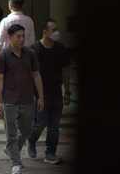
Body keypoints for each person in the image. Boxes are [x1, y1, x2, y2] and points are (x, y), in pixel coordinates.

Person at [0, 24, 45, 174]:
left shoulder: (30, 54)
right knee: (11, 133)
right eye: (18, 36)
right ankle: (16, 163)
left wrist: (41, 96)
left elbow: (36, 75)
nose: (22, 39)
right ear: (10, 37)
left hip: (28, 99)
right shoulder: (3, 55)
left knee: (26, 130)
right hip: (9, 101)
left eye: (23, 36)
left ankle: (11, 149)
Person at [27, 19, 71, 165]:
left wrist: (67, 90)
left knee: (54, 127)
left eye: (57, 29)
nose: (57, 33)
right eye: (54, 30)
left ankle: (50, 153)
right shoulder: (35, 49)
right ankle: (31, 140)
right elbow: (32, 74)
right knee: (40, 123)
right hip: (40, 93)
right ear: (45, 32)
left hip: (56, 92)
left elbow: (65, 70)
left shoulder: (60, 48)